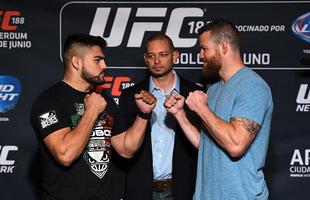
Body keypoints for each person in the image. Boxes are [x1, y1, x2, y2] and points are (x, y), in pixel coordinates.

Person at [30, 33, 156, 200]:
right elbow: (65, 155)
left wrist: (143, 114)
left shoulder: (105, 101)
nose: (104, 65)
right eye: (98, 60)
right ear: (76, 62)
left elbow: (126, 149)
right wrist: (91, 112)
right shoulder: (48, 102)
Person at [164, 19, 273, 200]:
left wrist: (201, 109)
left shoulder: (252, 86)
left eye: (204, 49)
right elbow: (207, 144)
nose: (200, 56)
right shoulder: (214, 89)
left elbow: (236, 145)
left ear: (223, 47)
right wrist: (180, 114)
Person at [112, 33, 203, 200]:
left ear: (175, 56)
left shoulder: (195, 95)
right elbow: (123, 149)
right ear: (145, 59)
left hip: (183, 190)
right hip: (140, 190)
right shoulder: (129, 96)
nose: (157, 61)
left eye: (163, 55)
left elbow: (207, 147)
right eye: (151, 56)